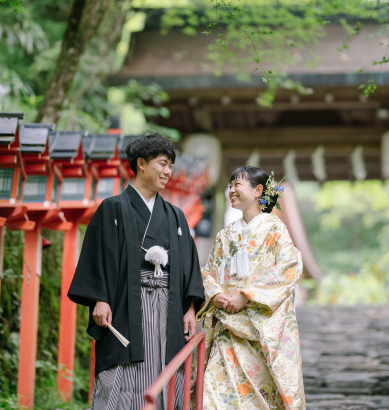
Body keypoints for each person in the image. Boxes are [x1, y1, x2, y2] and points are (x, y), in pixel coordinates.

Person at [68, 133, 205, 410]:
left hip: (169, 307)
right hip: (124, 307)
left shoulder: (176, 216)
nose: (167, 172)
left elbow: (188, 265)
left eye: (170, 166)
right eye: (162, 164)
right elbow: (98, 257)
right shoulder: (112, 208)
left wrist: (190, 308)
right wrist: (100, 299)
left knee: (167, 368)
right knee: (122, 371)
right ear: (141, 163)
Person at [199, 166, 305, 409]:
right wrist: (216, 295)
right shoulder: (225, 235)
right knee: (214, 397)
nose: (231, 190)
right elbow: (208, 271)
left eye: (237, 184)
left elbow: (289, 267)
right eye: (230, 185)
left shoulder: (275, 229)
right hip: (227, 328)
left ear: (258, 191)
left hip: (260, 330)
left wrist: (247, 296)